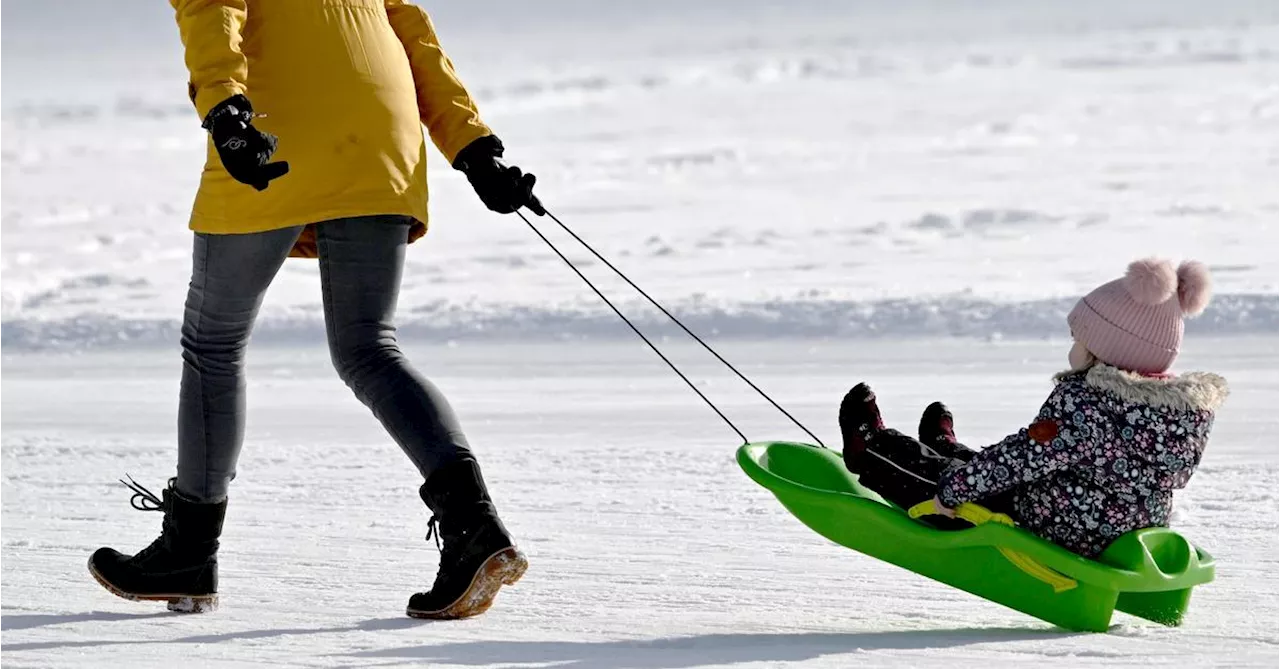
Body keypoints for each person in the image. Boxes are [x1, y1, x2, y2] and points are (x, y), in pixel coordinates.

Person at [88, 0, 541, 619]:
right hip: (382, 135)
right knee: (368, 346)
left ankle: (189, 551)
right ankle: (474, 529)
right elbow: (409, 29)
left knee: (214, 343)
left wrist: (224, 109)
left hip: (281, 127)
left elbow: (211, 9)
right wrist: (472, 147)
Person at [839, 259, 1228, 558]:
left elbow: (1024, 458)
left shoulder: (1091, 402)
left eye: (1080, 339)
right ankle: (946, 447)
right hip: (1119, 525)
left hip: (1057, 522)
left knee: (951, 480)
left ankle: (872, 448)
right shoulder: (1181, 413)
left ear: (1107, 351)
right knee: (994, 466)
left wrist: (954, 492)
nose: (1072, 347)